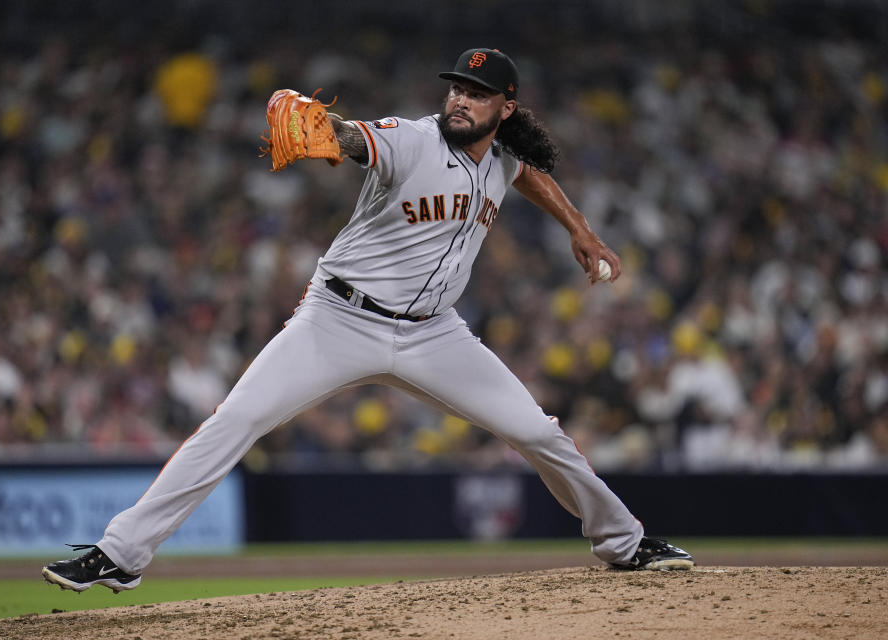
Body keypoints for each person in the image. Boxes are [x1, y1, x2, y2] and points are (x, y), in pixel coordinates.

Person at [42, 48, 693, 593]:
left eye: (478, 92)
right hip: (339, 319)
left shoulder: (500, 161)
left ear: (505, 108)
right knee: (236, 419)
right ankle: (121, 554)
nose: (461, 100)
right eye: (458, 88)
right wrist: (327, 125)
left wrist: (579, 227)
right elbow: (357, 139)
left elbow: (528, 173)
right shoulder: (411, 139)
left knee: (540, 433)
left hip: (434, 333)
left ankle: (624, 543)